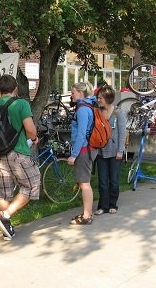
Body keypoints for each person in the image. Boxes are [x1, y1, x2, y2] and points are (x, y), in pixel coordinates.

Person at [0, 74, 40, 241]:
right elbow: (30, 129)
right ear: (15, 88)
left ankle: (6, 228)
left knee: (5, 191)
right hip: (17, 153)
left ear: (0, 89)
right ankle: (5, 215)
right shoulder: (21, 104)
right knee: (32, 185)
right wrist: (34, 139)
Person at [68, 82, 98, 225]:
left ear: (81, 93)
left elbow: (81, 135)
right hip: (87, 149)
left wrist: (74, 155)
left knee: (84, 184)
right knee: (84, 183)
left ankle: (87, 216)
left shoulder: (82, 110)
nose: (71, 95)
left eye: (73, 92)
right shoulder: (88, 106)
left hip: (83, 150)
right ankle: (87, 213)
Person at [95, 85, 126, 215]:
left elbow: (122, 133)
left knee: (113, 180)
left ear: (107, 99)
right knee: (102, 181)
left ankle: (113, 205)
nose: (98, 99)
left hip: (115, 153)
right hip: (101, 151)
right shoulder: (98, 112)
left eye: (100, 97)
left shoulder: (119, 113)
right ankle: (103, 206)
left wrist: (120, 151)